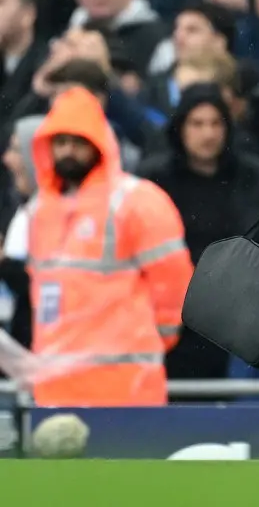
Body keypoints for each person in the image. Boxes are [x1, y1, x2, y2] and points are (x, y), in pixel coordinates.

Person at [26, 86, 193, 407]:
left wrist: (155, 339)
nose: (68, 151)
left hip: (124, 385)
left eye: (77, 142)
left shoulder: (136, 201)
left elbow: (174, 284)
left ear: (98, 144)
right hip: (54, 388)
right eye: (60, 142)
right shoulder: (38, 210)